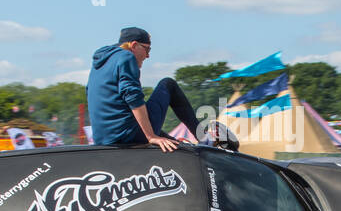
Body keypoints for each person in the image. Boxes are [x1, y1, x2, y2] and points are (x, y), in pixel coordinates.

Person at [87, 27, 234, 153]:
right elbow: (133, 97)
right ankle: (204, 139)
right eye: (147, 49)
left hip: (103, 139)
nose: (148, 55)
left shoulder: (101, 63)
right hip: (127, 137)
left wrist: (163, 138)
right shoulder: (126, 57)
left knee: (145, 118)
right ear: (134, 45)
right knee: (168, 84)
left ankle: (181, 146)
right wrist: (151, 137)